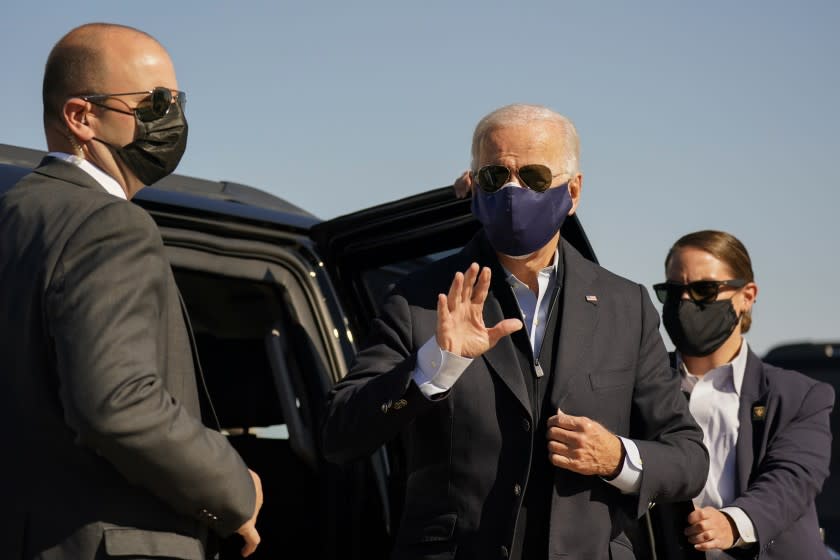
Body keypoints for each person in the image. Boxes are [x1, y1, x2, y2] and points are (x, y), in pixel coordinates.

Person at [321, 103, 708, 559]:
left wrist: (616, 458)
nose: (512, 191)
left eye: (534, 177)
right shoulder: (420, 298)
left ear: (574, 191)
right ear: (473, 185)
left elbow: (687, 457)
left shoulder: (627, 306)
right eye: (494, 177)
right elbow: (340, 433)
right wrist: (436, 365)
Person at [0, 23, 262, 559]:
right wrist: (236, 489)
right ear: (81, 116)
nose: (171, 119)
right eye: (155, 102)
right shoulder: (109, 222)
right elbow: (117, 403)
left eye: (176, 100)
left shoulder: (14, 217)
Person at [652, 230, 833, 559]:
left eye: (704, 289)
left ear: (747, 295)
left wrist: (733, 524)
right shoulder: (643, 385)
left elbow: (791, 480)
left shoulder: (800, 396)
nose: (686, 302)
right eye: (674, 291)